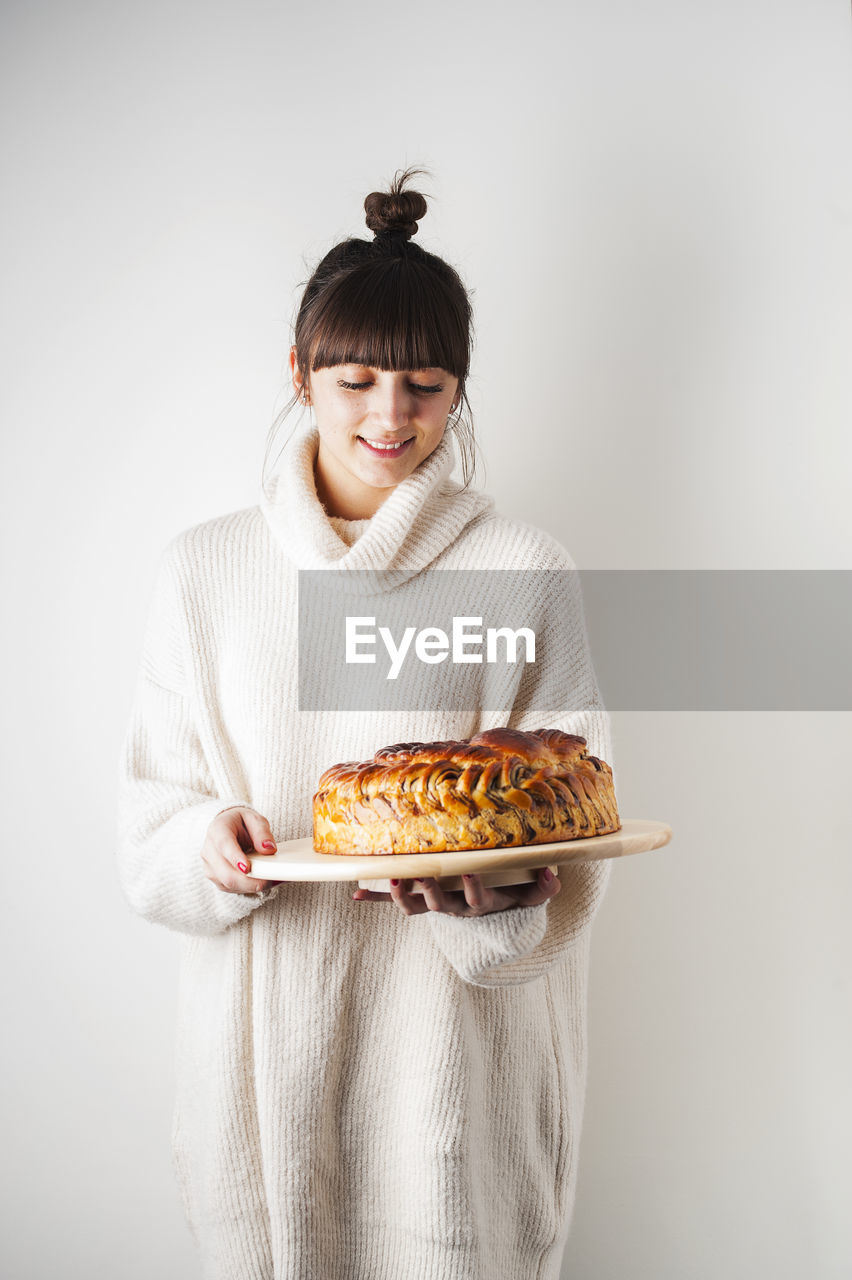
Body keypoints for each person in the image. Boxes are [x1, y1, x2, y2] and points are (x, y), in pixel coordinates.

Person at [116, 166, 616, 1280]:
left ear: (460, 391)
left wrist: (497, 895)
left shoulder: (524, 573)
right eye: (355, 380)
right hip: (263, 1074)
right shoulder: (205, 572)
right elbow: (149, 821)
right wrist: (206, 841)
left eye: (427, 387)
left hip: (454, 1079)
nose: (391, 418)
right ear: (297, 373)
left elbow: (577, 844)